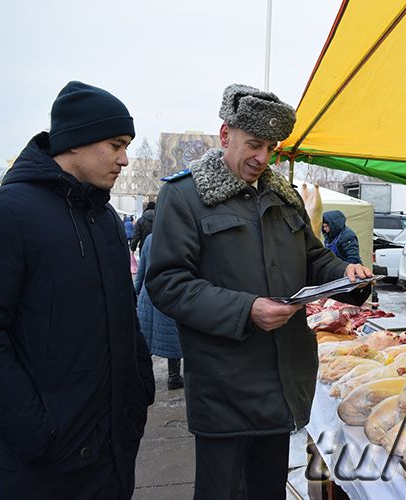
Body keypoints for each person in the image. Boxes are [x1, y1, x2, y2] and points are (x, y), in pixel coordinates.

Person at [145, 83, 373, 499]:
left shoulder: (283, 198)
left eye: (272, 147)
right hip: (224, 385)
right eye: (254, 145)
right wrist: (246, 309)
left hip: (283, 380)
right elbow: (167, 283)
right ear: (225, 135)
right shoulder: (185, 196)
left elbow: (312, 259)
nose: (263, 158)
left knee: (268, 491)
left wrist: (348, 275)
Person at [0, 81, 154, 499]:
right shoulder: (2, 215)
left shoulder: (107, 220)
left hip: (113, 450)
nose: (125, 159)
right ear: (75, 141)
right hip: (44, 465)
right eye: (116, 144)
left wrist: (139, 388)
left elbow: (124, 316)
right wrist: (36, 431)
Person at [135, 232, 184, 390]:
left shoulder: (149, 239)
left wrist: (136, 293)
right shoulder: (179, 237)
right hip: (169, 294)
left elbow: (141, 271)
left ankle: (142, 377)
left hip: (147, 295)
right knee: (173, 339)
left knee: (146, 338)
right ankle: (174, 377)